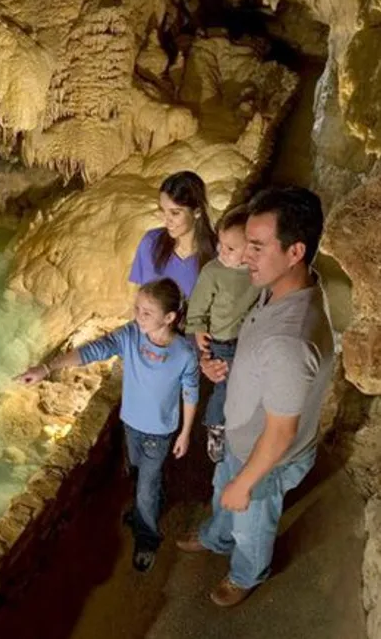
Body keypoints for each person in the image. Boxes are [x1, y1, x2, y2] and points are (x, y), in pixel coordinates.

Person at [177, 187, 334, 608]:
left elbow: (281, 432)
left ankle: (247, 573)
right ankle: (215, 536)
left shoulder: (289, 340)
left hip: (266, 460)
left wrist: (246, 481)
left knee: (252, 523)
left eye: (258, 247)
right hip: (241, 438)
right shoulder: (277, 288)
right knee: (222, 495)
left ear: (295, 250)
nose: (246, 256)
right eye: (247, 244)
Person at [16, 278, 198, 573]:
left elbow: (190, 391)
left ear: (169, 318)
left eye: (146, 313)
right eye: (137, 308)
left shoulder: (184, 354)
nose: (138, 316)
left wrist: (187, 431)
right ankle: (145, 508)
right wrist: (47, 368)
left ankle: (147, 538)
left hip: (160, 432)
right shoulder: (130, 336)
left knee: (146, 489)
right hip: (131, 425)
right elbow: (93, 350)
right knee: (138, 475)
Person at [184, 205, 260, 463]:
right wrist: (198, 331)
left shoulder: (256, 272)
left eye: (230, 248)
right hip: (222, 342)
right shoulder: (213, 272)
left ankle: (239, 424)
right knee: (226, 386)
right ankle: (215, 426)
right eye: (220, 244)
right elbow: (197, 308)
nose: (221, 252)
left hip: (246, 339)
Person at [130, 171, 217, 298]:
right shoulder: (150, 243)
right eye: (163, 210)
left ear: (197, 212)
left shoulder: (220, 253)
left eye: (175, 213)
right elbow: (139, 298)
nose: (166, 220)